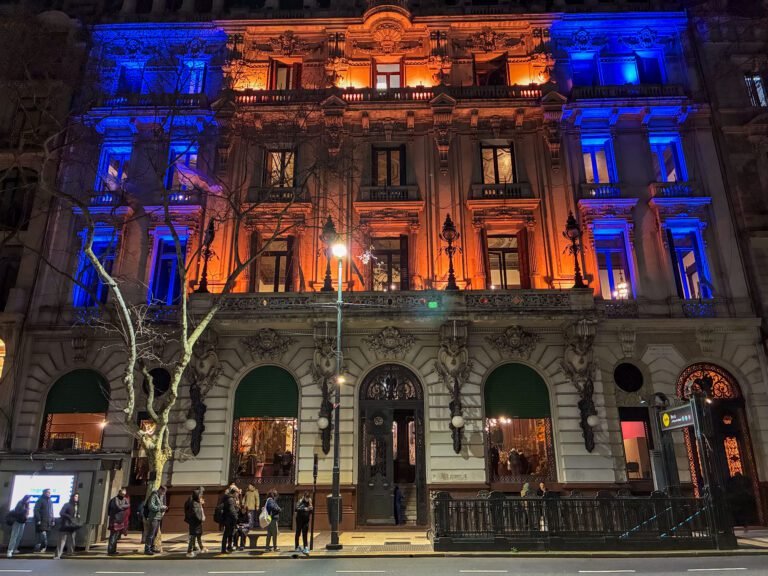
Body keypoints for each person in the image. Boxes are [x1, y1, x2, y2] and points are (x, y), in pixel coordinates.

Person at [144, 486, 168, 556]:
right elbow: (151, 506)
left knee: (154, 534)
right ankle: (147, 549)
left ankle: (152, 547)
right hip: (153, 517)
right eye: (163, 492)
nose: (163, 494)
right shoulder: (154, 495)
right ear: (160, 490)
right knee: (151, 533)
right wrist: (160, 507)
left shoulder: (160, 496)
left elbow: (160, 505)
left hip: (158, 517)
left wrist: (164, 508)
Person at [57, 493, 81, 559]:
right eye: (75, 496)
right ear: (72, 497)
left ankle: (70, 553)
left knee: (72, 540)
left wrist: (77, 517)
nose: (76, 498)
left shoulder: (77, 506)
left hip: (72, 525)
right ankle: (57, 555)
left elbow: (76, 514)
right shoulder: (67, 505)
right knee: (62, 540)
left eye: (77, 497)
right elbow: (61, 513)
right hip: (65, 525)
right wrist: (69, 517)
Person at [107, 487, 130, 556]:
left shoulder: (125, 499)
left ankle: (114, 550)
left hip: (120, 519)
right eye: (122, 494)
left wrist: (122, 506)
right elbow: (117, 507)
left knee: (116, 536)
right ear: (119, 493)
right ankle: (110, 550)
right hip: (114, 519)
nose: (123, 495)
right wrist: (123, 507)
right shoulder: (114, 499)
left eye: (124, 494)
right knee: (113, 536)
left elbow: (128, 505)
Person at [184, 489, 205, 557]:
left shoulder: (196, 502)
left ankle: (201, 547)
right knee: (193, 536)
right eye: (199, 495)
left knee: (198, 535)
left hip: (197, 522)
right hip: (194, 522)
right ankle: (189, 551)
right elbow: (195, 513)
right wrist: (201, 519)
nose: (200, 496)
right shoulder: (194, 503)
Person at [33, 488, 54, 553]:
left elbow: (52, 511)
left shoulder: (50, 501)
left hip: (48, 522)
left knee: (45, 536)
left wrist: (53, 520)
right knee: (42, 536)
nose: (50, 494)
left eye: (50, 493)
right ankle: (40, 548)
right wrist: (38, 519)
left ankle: (41, 549)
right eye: (48, 492)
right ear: (44, 493)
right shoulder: (40, 500)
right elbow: (36, 510)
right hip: (42, 522)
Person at [220, 487, 239, 554]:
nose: (238, 494)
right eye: (237, 493)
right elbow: (232, 510)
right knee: (226, 534)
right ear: (234, 493)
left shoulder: (231, 498)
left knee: (230, 534)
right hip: (229, 519)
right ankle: (223, 549)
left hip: (230, 519)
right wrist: (236, 517)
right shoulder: (230, 499)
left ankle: (229, 546)